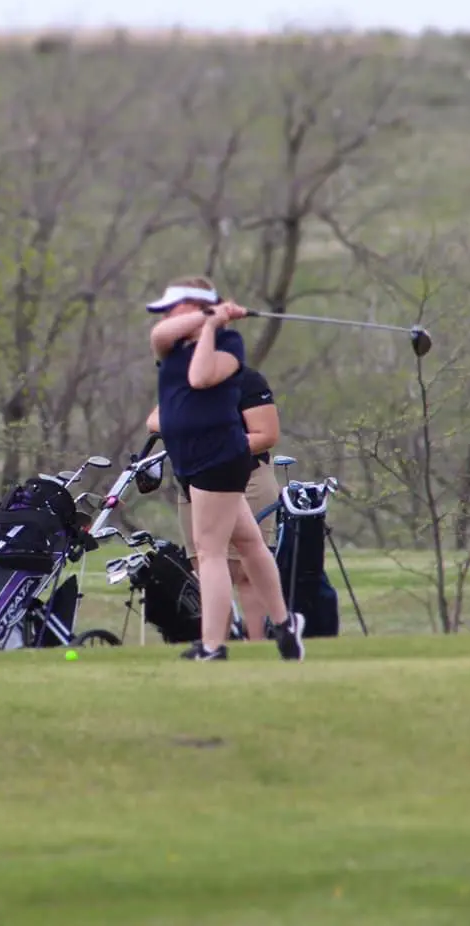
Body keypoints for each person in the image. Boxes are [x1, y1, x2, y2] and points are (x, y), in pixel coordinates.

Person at [146, 276, 304, 661]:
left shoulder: (229, 346)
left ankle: (213, 646)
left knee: (210, 551)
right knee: (249, 542)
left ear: (195, 306)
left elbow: (201, 378)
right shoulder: (169, 346)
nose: (166, 313)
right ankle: (285, 625)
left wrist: (214, 325)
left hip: (218, 458)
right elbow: (160, 332)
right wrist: (207, 316)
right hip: (192, 462)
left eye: (174, 305)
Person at [147, 364, 283, 641]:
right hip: (194, 482)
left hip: (247, 478)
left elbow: (266, 435)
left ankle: (257, 643)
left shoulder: (247, 380)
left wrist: (216, 445)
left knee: (244, 569)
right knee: (204, 564)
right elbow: (154, 420)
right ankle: (217, 643)